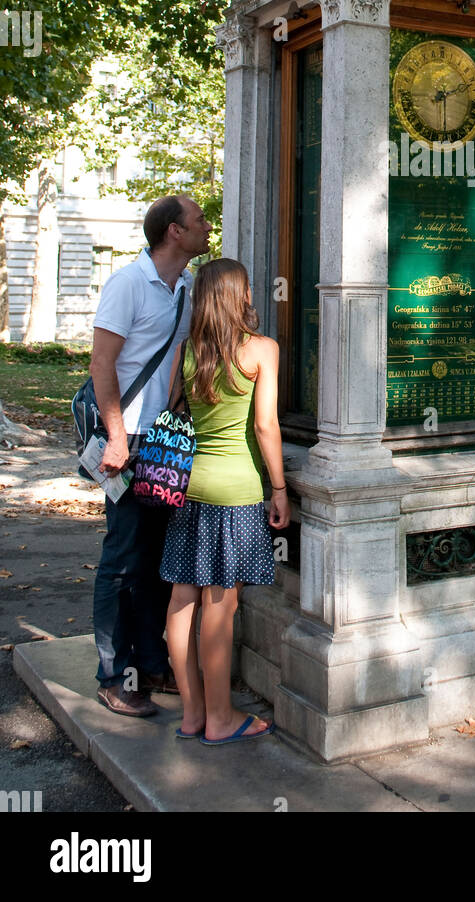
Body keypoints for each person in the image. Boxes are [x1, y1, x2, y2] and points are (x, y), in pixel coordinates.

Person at [90, 194, 211, 715]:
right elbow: (102, 363)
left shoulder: (185, 286)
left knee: (158, 558)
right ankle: (116, 675)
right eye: (200, 220)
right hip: (129, 441)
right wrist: (117, 438)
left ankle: (151, 661)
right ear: (173, 233)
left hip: (166, 443)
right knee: (122, 559)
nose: (208, 226)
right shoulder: (127, 284)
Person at [160, 258, 290, 744]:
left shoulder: (186, 352)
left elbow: (176, 416)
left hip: (187, 487)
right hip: (235, 492)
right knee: (221, 601)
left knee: (181, 598)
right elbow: (265, 426)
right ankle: (221, 719)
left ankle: (192, 715)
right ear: (241, 296)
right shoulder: (261, 351)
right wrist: (278, 488)